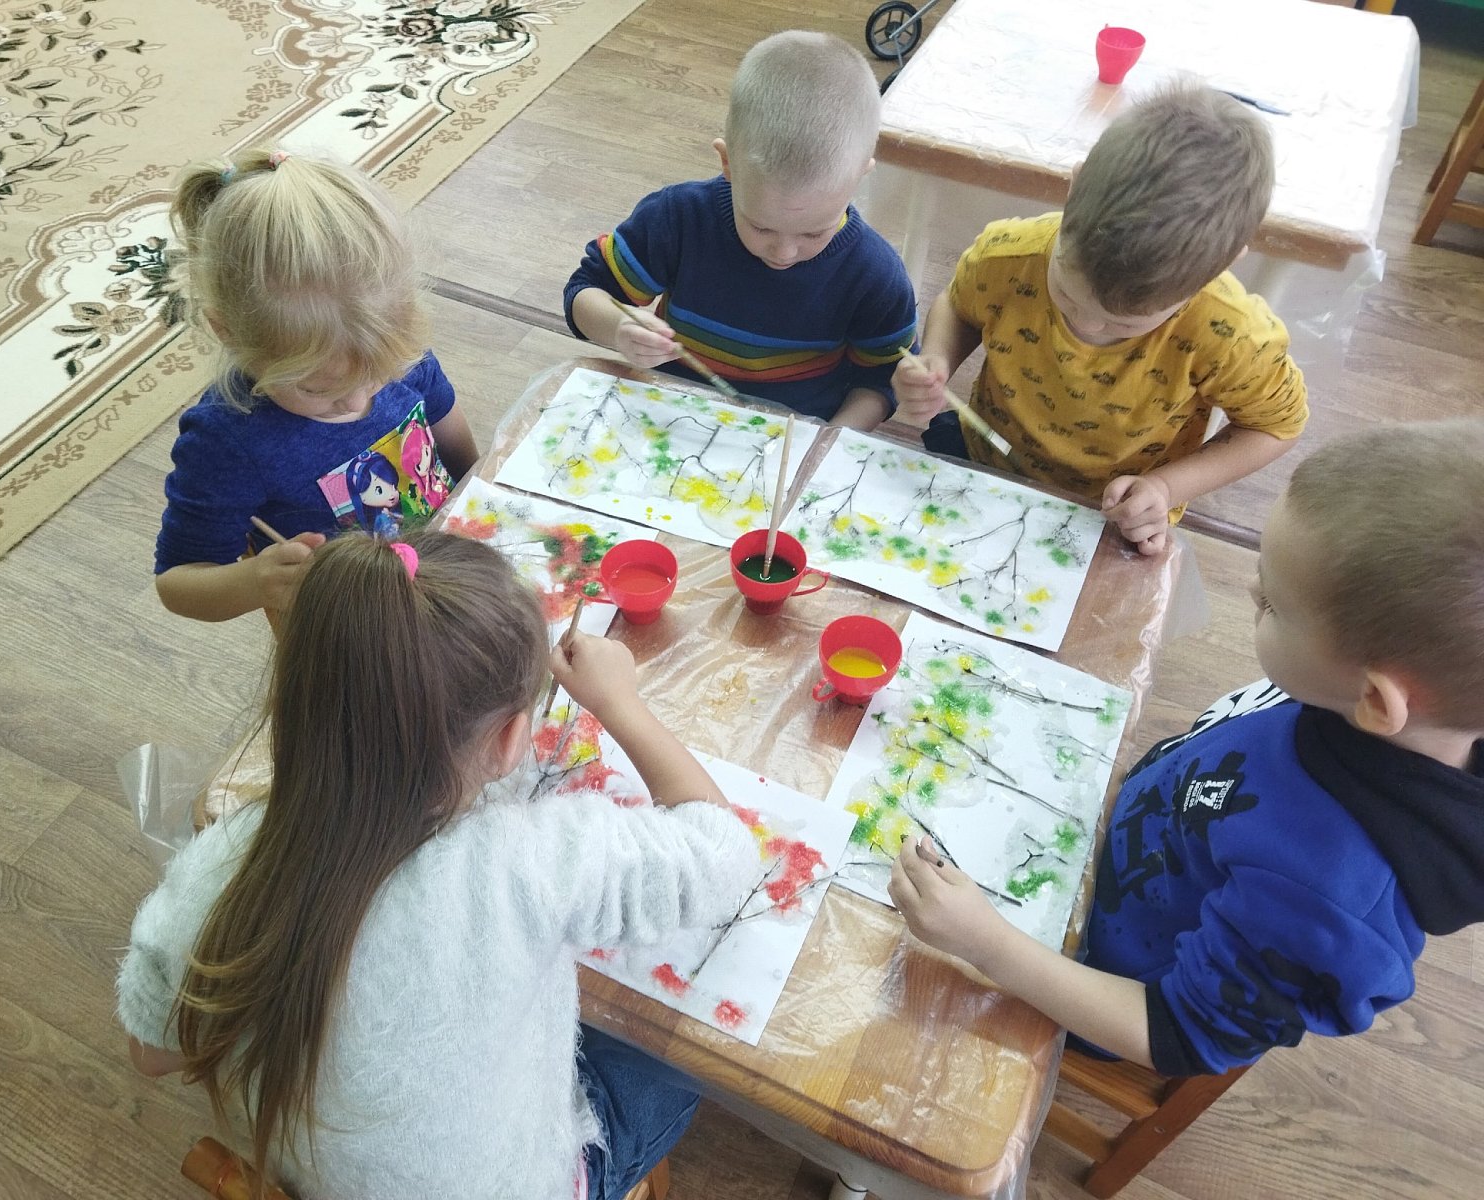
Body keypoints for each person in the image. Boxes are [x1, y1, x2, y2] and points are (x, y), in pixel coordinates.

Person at [118, 530, 763, 1198]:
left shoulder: (221, 860)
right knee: (675, 1065)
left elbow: (151, 1052)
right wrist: (619, 699)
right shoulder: (528, 860)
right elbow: (723, 854)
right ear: (512, 740)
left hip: (309, 1182)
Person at [889, 419, 1484, 1077]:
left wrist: (985, 944)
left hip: (1086, 974)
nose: (1251, 593)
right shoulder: (1367, 705)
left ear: (1377, 700)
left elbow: (1177, 1033)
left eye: (1273, 605)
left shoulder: (1330, 905)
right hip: (1108, 846)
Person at [894, 85, 1309, 555]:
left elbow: (1275, 427)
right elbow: (959, 305)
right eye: (1067, 296)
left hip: (1114, 513)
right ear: (1072, 188)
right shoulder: (1008, 255)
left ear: (1220, 268)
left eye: (1125, 325)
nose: (1088, 328)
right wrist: (938, 357)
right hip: (984, 458)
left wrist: (1166, 487)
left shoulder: (1232, 333)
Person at [154, 148, 479, 622]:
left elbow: (453, 437)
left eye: (378, 374)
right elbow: (177, 581)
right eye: (317, 390)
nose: (355, 400)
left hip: (447, 575)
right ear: (228, 332)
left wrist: (482, 497)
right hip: (348, 625)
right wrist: (255, 581)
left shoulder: (396, 350)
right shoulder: (226, 440)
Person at [564, 31, 916, 429]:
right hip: (669, 419)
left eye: (813, 233)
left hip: (795, 439)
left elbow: (881, 378)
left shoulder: (874, 274)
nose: (784, 252)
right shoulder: (678, 219)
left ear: (860, 177)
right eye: (761, 226)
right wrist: (618, 327)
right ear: (727, 162)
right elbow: (586, 290)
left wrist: (832, 440)